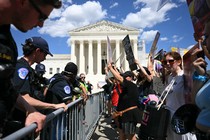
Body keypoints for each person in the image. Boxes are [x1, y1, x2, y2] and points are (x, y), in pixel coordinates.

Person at [0, 0, 62, 134]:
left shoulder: (8, 43)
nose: (41, 24)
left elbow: (6, 88)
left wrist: (30, 110)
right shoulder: (20, 64)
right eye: (41, 17)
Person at [8, 37, 67, 136]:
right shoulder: (22, 68)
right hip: (15, 122)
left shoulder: (28, 69)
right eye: (45, 54)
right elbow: (24, 98)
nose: (45, 57)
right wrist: (54, 106)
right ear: (37, 51)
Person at [162, 51, 197, 140]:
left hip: (182, 120)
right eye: (165, 62)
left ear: (179, 62)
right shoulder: (169, 77)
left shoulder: (186, 75)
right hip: (169, 119)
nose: (167, 64)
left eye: (170, 61)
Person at [107, 62, 142, 140]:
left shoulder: (131, 85)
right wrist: (114, 68)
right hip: (124, 114)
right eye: (124, 76)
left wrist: (110, 68)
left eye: (126, 77)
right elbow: (119, 78)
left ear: (131, 78)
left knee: (131, 136)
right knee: (122, 134)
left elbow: (119, 78)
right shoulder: (128, 86)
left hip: (129, 115)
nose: (124, 78)